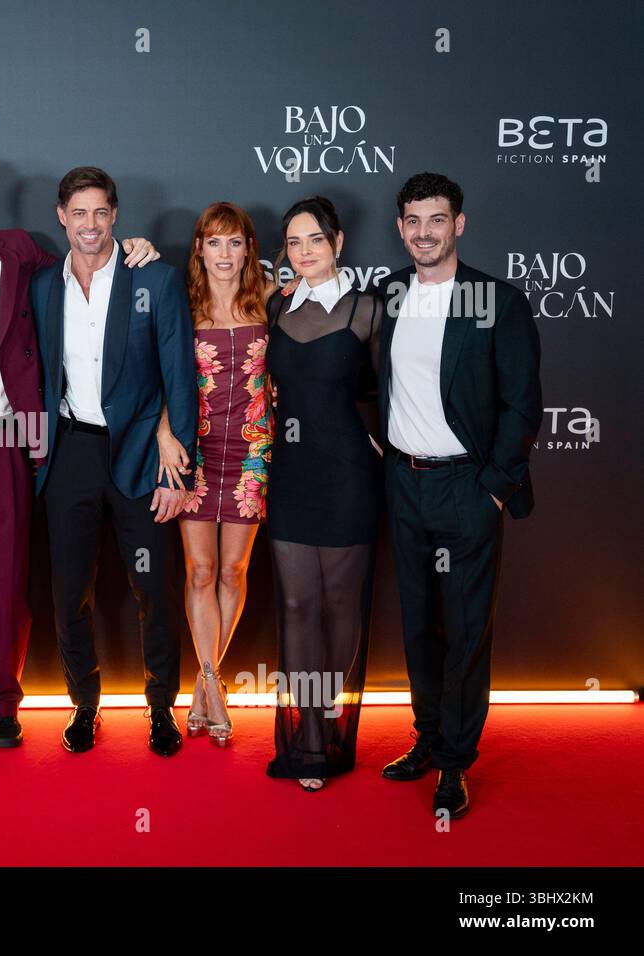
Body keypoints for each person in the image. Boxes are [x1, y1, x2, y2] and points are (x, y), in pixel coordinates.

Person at [0, 149, 161, 749]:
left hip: (11, 438)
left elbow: (90, 262)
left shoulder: (18, 251)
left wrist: (136, 248)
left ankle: (2, 704)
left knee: (6, 584)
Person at [377, 172, 541, 819]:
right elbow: (368, 380)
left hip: (466, 487)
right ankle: (427, 737)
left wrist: (494, 490)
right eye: (413, 221)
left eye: (436, 220)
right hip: (404, 484)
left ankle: (454, 764)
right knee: (419, 626)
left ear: (459, 224)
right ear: (400, 228)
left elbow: (522, 404)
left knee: (467, 630)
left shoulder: (496, 300)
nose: (424, 232)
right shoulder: (389, 294)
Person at [30, 166, 197, 757]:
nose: (91, 225)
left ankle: (161, 710)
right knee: (69, 588)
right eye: (79, 213)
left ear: (116, 216)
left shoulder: (153, 277)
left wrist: (180, 467)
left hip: (139, 451)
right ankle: (83, 705)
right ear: (61, 217)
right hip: (70, 451)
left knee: (154, 586)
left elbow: (179, 374)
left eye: (101, 213)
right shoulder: (44, 287)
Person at [263, 195, 384, 792]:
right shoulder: (275, 307)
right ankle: (307, 741)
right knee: (295, 608)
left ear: (338, 242)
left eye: (314, 239)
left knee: (341, 611)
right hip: (290, 475)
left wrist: (388, 445)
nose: (304, 252)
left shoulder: (369, 309)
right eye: (293, 243)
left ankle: (332, 723)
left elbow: (393, 391)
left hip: (349, 477)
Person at [156, 202, 276, 746]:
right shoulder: (180, 303)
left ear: (249, 248)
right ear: (199, 248)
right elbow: (158, 373)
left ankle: (207, 685)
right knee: (200, 572)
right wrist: (163, 432)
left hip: (251, 452)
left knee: (233, 572)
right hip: (197, 452)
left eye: (235, 242)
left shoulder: (271, 299)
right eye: (214, 242)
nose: (224, 254)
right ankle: (211, 680)